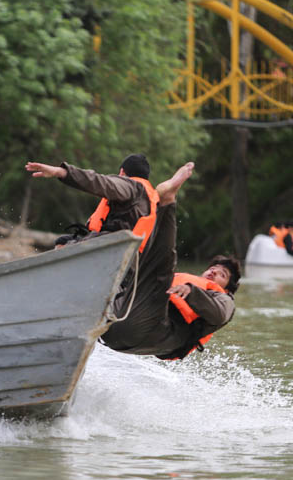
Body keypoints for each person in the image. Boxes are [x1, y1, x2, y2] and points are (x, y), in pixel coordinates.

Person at [28, 160, 240, 360]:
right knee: (132, 271)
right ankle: (42, 338)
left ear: (227, 288)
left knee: (160, 264)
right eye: (213, 268)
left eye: (222, 274)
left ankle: (167, 201)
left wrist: (192, 293)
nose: (213, 272)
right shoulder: (177, 283)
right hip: (113, 331)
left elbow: (219, 314)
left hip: (152, 332)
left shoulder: (224, 301)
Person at [26, 154, 159, 254]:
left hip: (114, 250)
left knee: (63, 245)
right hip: (134, 259)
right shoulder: (151, 196)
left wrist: (61, 172)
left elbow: (99, 182)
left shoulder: (130, 186)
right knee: (64, 240)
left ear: (122, 172)